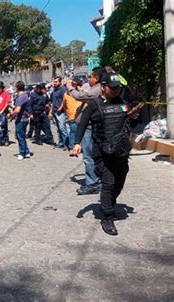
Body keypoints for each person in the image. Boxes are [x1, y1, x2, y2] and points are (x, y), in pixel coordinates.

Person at [73, 72, 139, 236]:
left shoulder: (123, 103)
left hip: (120, 151)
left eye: (118, 88)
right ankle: (107, 217)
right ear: (103, 87)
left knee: (120, 181)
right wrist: (77, 143)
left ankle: (109, 202)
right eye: (112, 88)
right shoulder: (94, 104)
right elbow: (82, 124)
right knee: (108, 183)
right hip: (102, 152)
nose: (116, 91)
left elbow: (131, 121)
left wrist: (133, 116)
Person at [68, 67, 103, 195]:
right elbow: (83, 92)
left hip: (89, 127)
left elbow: (80, 96)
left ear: (97, 78)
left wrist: (70, 87)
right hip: (88, 127)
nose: (89, 79)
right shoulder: (94, 88)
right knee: (92, 155)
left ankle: (92, 183)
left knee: (88, 156)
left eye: (91, 77)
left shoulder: (98, 90)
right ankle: (96, 180)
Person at [58, 79, 82, 156]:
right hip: (72, 116)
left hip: (81, 116)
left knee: (81, 133)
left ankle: (80, 147)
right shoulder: (66, 94)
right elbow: (64, 105)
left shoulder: (80, 93)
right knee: (73, 132)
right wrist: (67, 113)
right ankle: (72, 148)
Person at [11, 81, 31, 160]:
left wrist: (11, 115)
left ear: (17, 88)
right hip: (25, 118)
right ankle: (26, 151)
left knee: (20, 137)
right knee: (22, 136)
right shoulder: (25, 96)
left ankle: (22, 152)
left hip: (21, 119)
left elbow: (17, 110)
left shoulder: (21, 97)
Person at [50, 76, 68, 149]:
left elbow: (65, 99)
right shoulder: (54, 90)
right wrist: (50, 112)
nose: (55, 83)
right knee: (58, 129)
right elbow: (53, 102)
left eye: (56, 81)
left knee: (62, 128)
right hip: (55, 111)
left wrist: (60, 108)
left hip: (61, 112)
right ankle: (61, 142)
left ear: (60, 82)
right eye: (54, 81)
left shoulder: (63, 89)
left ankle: (66, 144)